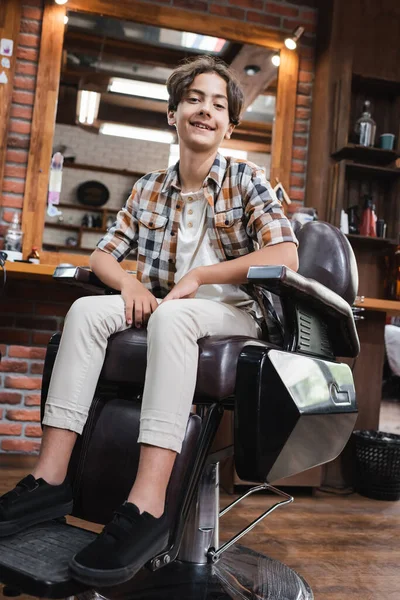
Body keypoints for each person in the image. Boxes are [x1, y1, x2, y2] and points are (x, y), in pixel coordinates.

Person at [0, 56, 298, 586]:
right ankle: (50, 481)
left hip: (238, 313)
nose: (205, 110)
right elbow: (103, 256)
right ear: (173, 114)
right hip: (172, 308)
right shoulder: (148, 189)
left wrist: (203, 274)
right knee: (86, 310)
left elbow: (285, 256)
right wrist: (130, 284)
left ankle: (148, 504)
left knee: (174, 320)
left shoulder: (248, 180)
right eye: (194, 99)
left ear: (229, 125)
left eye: (218, 104)